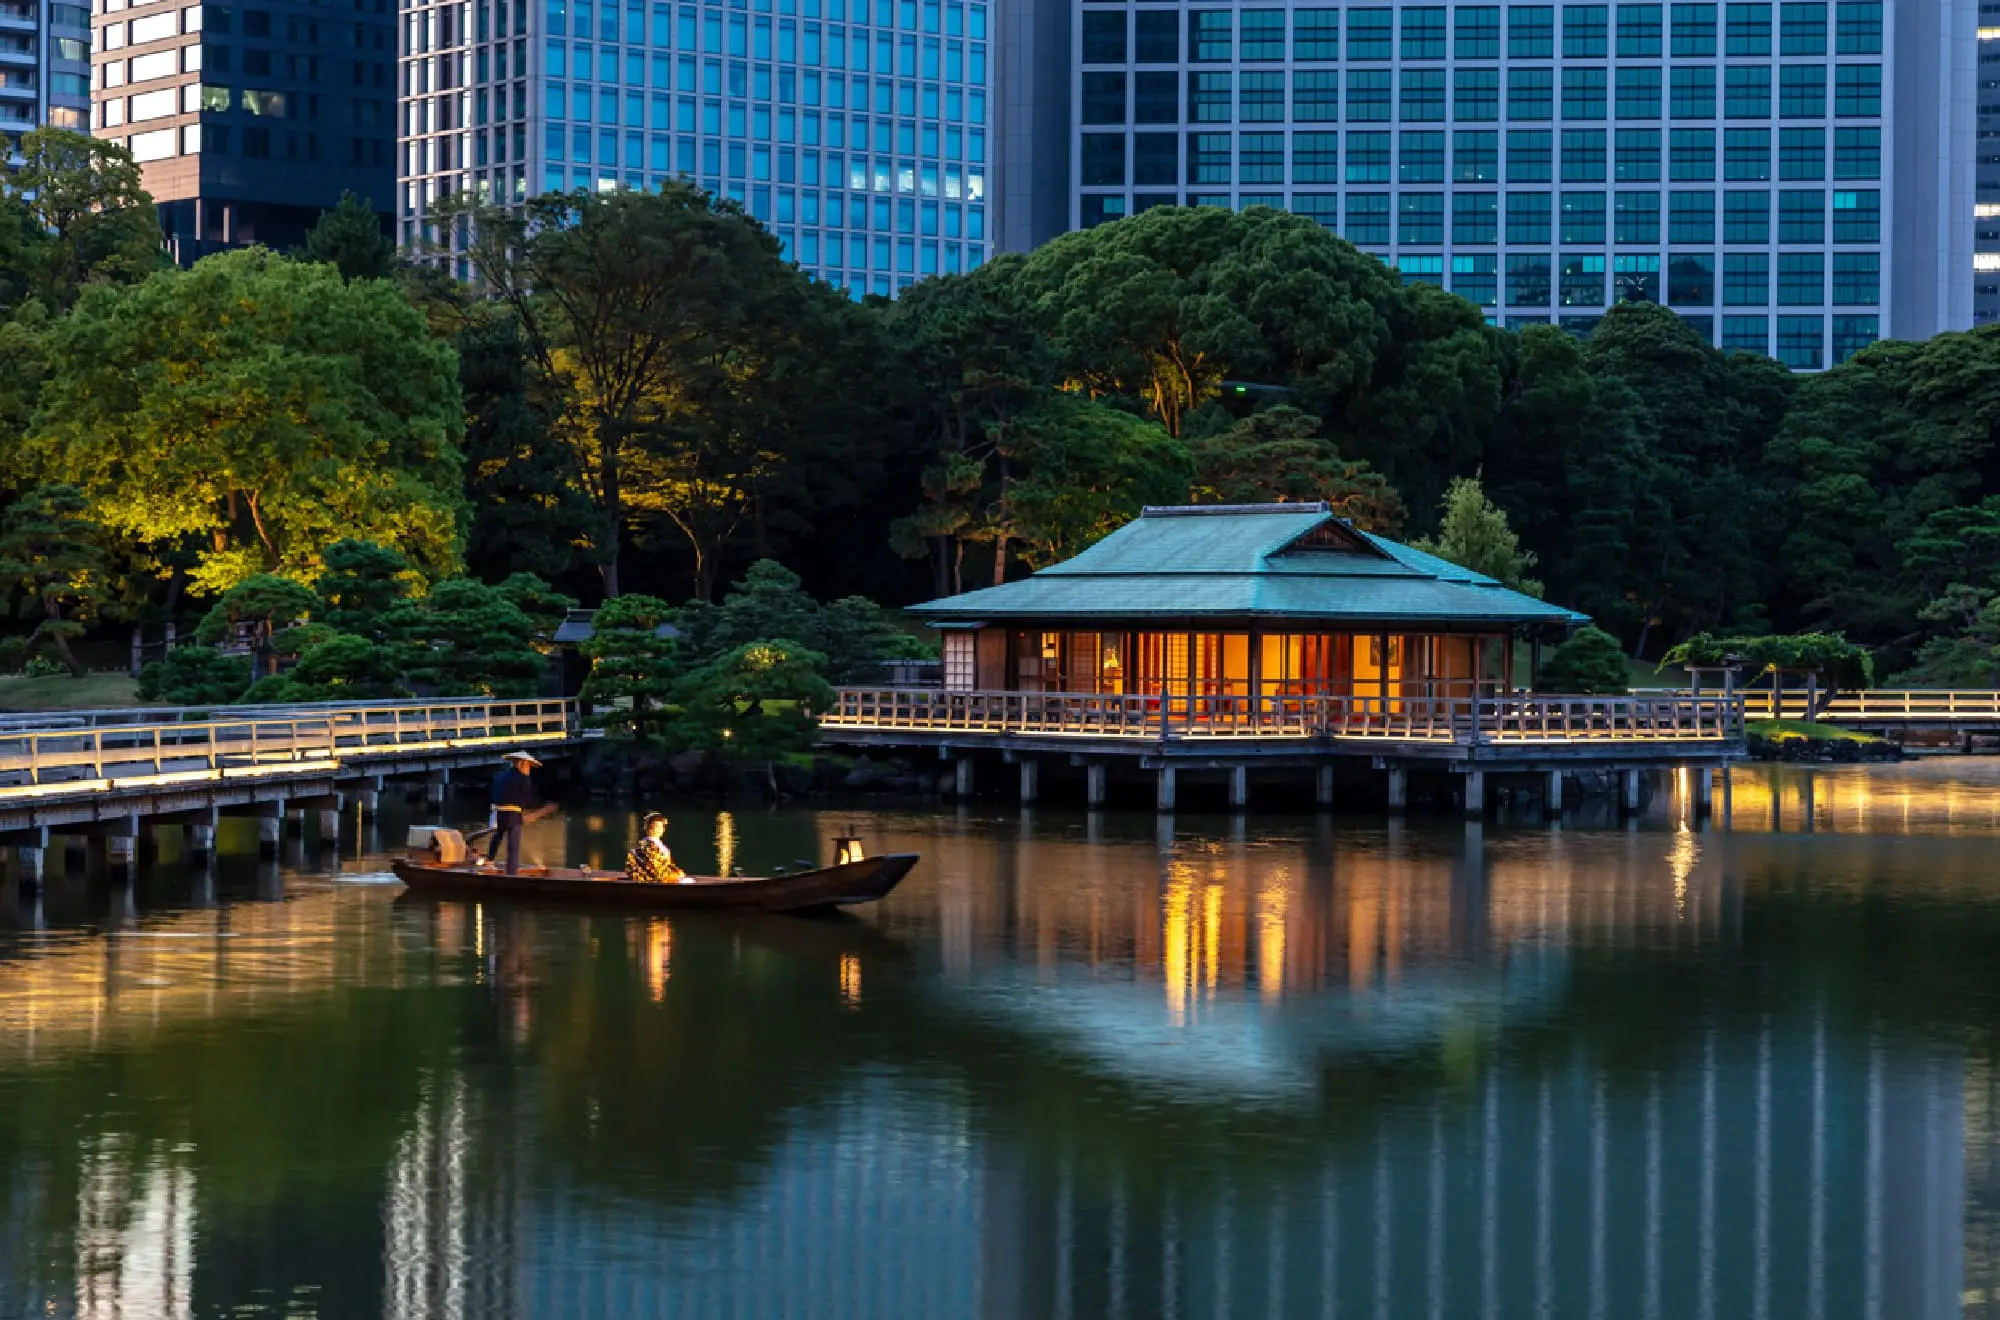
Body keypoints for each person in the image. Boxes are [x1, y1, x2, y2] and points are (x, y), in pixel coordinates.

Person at [487, 750, 545, 874]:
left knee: (497, 836)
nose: (529, 768)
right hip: (513, 815)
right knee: (513, 848)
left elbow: (493, 795)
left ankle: (489, 861)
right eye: (528, 765)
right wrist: (527, 811)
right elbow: (525, 798)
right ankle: (511, 874)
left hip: (497, 814)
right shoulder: (523, 778)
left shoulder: (499, 776)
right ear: (522, 764)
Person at [627, 812, 686, 883]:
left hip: (659, 875)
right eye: (655, 826)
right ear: (647, 828)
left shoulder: (658, 845)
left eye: (660, 827)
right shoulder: (646, 846)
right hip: (654, 879)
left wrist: (677, 873)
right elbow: (655, 871)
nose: (658, 829)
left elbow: (668, 866)